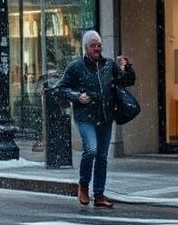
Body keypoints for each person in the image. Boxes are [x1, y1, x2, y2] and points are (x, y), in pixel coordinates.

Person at [57, 30, 134, 209]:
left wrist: (127, 67)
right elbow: (61, 89)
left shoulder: (108, 65)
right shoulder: (76, 67)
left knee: (102, 155)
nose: (97, 48)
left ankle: (99, 194)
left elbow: (126, 81)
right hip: (85, 117)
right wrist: (77, 96)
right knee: (91, 150)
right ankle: (83, 185)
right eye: (93, 45)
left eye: (99, 45)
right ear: (86, 47)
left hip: (105, 116)